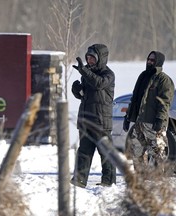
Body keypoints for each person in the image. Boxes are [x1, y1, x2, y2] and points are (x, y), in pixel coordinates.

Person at [70, 44, 116, 188]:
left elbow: (99, 84)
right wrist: (77, 90)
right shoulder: (88, 75)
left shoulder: (108, 75)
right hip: (86, 120)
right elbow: (86, 95)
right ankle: (79, 180)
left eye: (92, 58)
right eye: (88, 58)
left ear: (100, 59)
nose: (89, 61)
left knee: (105, 153)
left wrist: (84, 71)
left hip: (100, 121)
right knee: (84, 151)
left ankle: (108, 181)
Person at [123, 51, 175, 170]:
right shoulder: (143, 76)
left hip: (154, 124)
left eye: (153, 60)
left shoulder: (163, 80)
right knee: (136, 153)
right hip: (140, 123)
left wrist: (160, 119)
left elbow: (165, 102)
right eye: (149, 59)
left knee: (157, 154)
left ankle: (158, 183)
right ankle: (141, 181)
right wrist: (128, 117)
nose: (149, 62)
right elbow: (135, 98)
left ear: (158, 62)